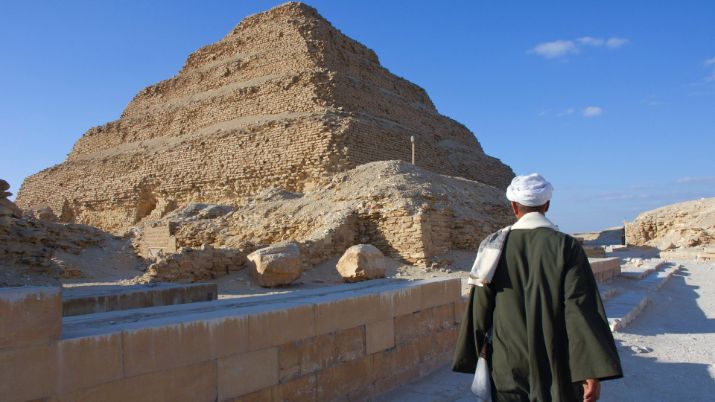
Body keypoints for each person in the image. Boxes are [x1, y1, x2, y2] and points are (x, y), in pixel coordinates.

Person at [453, 173, 623, 402]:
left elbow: (479, 308)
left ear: (514, 206)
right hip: (557, 360)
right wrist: (591, 370)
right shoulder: (567, 246)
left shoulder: (493, 246)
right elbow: (581, 309)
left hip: (507, 362)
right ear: (547, 205)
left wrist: (470, 356)